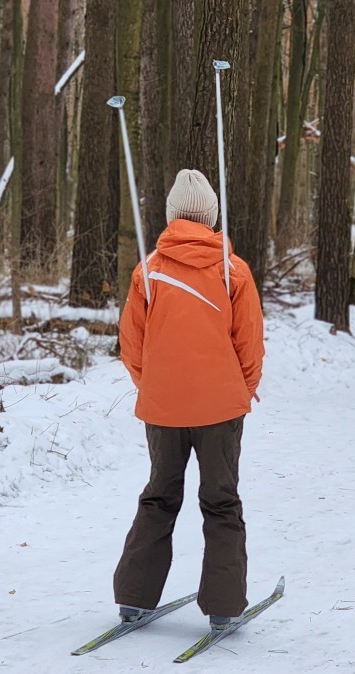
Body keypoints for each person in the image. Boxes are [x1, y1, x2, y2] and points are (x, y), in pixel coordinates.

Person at [114, 168, 265, 631]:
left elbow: (132, 344)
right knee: (221, 501)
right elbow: (250, 344)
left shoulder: (149, 271)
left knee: (159, 496)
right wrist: (240, 389)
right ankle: (223, 606)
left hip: (163, 411)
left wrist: (155, 386)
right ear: (211, 216)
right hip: (221, 410)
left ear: (173, 217)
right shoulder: (231, 270)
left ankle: (134, 600)